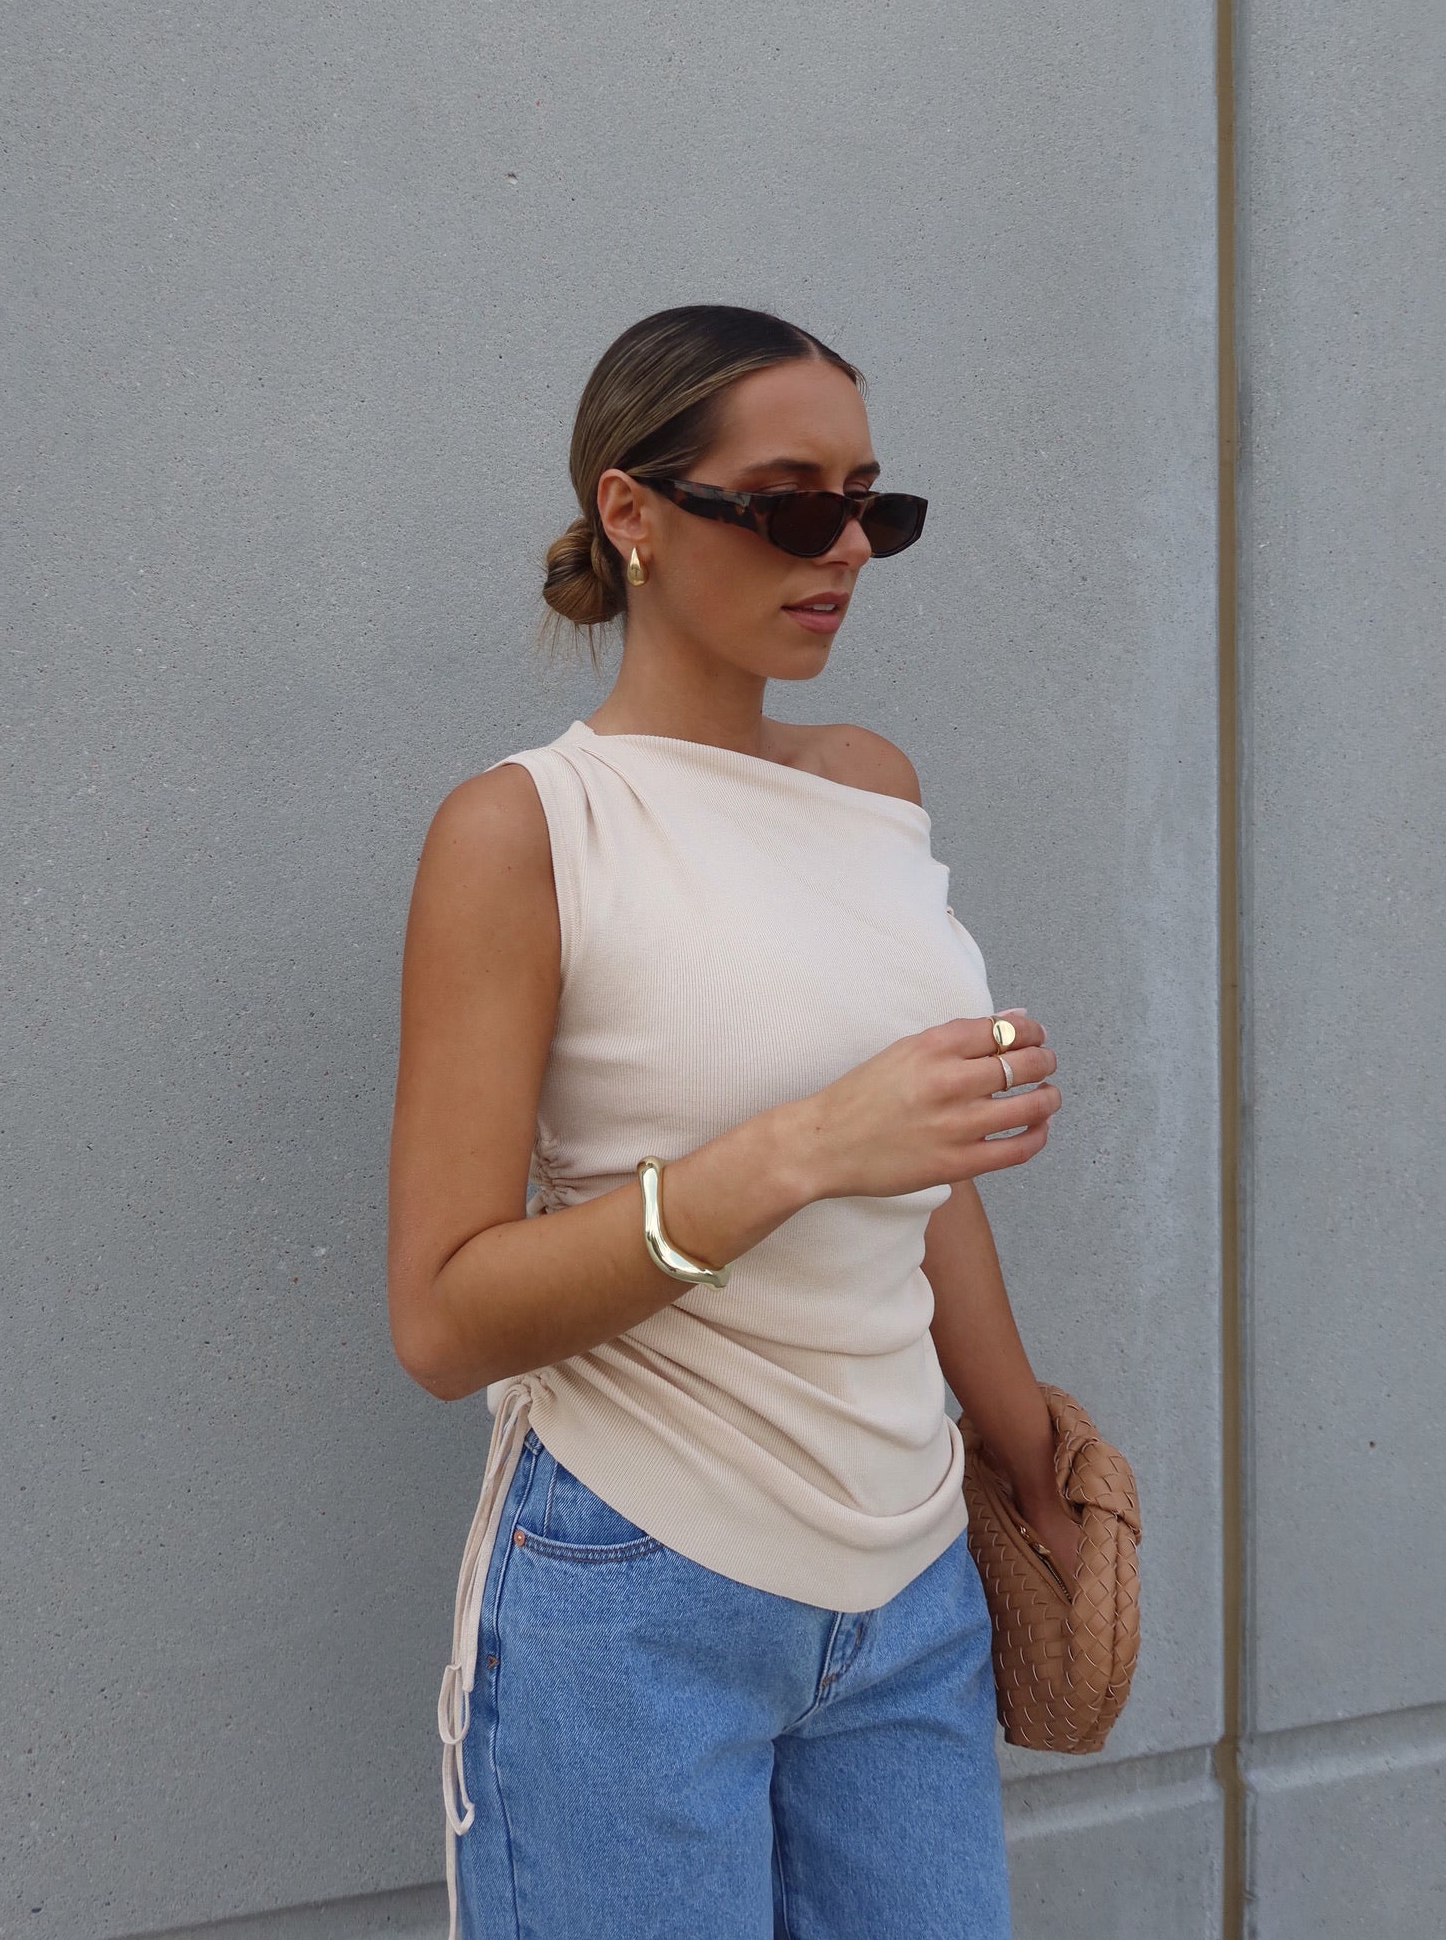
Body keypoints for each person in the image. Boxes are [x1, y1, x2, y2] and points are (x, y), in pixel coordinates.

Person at [387, 304, 1072, 1940]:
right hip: (639, 1577)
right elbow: (443, 1320)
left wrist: (1027, 1457)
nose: (845, 549)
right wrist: (801, 1150)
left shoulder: (872, 787)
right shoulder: (525, 832)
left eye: (873, 506)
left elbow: (929, 1177)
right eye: (790, 504)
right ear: (632, 511)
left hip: (912, 1581)